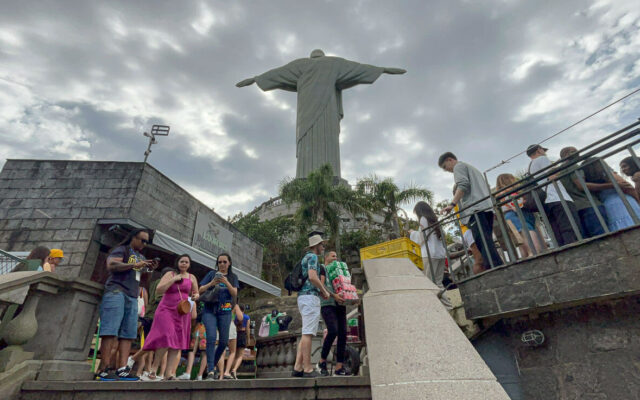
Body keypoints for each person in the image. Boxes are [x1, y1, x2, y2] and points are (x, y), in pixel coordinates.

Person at [236, 49, 406, 179]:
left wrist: (255, 79)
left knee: (310, 140)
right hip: (328, 111)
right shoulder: (333, 63)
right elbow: (357, 69)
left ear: (311, 57)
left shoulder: (299, 65)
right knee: (326, 141)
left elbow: (277, 74)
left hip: (306, 114)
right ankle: (325, 176)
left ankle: (304, 176)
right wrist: (382, 69)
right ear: (322, 56)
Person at [97, 228, 155, 381]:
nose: (144, 243)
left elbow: (139, 276)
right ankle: (104, 367)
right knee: (110, 330)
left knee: (128, 333)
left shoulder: (140, 256)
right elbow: (112, 266)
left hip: (132, 294)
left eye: (146, 242)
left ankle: (122, 368)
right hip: (116, 291)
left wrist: (148, 269)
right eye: (142, 240)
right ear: (133, 237)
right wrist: (134, 265)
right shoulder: (121, 250)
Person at [439, 152, 504, 269]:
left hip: (475, 209)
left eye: (445, 167)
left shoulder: (458, 167)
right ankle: (497, 266)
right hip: (486, 208)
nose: (446, 170)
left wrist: (452, 204)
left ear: (450, 159)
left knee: (482, 242)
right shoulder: (473, 170)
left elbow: (463, 185)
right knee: (487, 240)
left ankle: (495, 268)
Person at [140, 254, 199, 381]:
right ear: (177, 262)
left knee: (177, 342)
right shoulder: (170, 274)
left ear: (189, 265)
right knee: (167, 336)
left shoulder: (192, 277)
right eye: (182, 261)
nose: (184, 264)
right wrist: (173, 280)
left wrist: (195, 296)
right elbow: (159, 290)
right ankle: (154, 369)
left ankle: (169, 373)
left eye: (186, 262)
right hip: (167, 309)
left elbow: (196, 292)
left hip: (182, 311)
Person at [292, 235, 331, 378]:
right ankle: (308, 368)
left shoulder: (306, 257)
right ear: (317, 245)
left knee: (305, 332)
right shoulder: (313, 258)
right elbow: (313, 277)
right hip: (310, 297)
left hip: (303, 296)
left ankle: (298, 366)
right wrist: (324, 290)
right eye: (322, 245)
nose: (323, 247)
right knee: (308, 333)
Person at [526, 144, 578, 246]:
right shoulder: (542, 159)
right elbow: (552, 176)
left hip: (547, 201)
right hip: (558, 196)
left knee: (557, 230)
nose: (545, 152)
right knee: (569, 227)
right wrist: (559, 169)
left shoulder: (530, 166)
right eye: (543, 150)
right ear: (539, 150)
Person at [199, 253, 239, 380]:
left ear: (229, 263)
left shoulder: (233, 277)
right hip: (210, 309)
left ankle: (211, 365)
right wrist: (212, 282)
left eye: (224, 262)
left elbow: (234, 294)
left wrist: (226, 282)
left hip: (225, 310)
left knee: (223, 342)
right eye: (220, 262)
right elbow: (200, 290)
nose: (222, 264)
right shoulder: (211, 274)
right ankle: (211, 370)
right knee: (210, 337)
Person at [559, 147, 611, 237]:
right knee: (603, 236)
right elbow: (581, 185)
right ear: (567, 155)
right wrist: (611, 185)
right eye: (574, 151)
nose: (578, 154)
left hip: (576, 208)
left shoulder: (559, 172)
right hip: (589, 205)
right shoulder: (573, 166)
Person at [411, 202, 453, 309]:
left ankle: (445, 306)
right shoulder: (434, 220)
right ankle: (447, 306)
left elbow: (422, 238)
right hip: (440, 254)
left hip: (429, 254)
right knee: (438, 283)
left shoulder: (423, 219)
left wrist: (412, 233)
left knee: (429, 283)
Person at [582, 158, 640, 232]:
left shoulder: (590, 181)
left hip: (608, 206)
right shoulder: (607, 174)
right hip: (623, 202)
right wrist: (637, 200)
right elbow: (628, 187)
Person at [317, 250, 350, 377]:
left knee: (342, 333)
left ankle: (339, 367)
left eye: (337, 256)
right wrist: (334, 295)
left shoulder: (339, 270)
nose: (335, 258)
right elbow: (321, 286)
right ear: (326, 257)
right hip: (327, 304)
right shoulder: (323, 268)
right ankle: (322, 361)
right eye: (333, 256)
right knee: (333, 331)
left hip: (340, 304)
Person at [495, 174, 541, 256]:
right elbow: (518, 203)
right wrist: (524, 201)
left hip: (508, 216)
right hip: (518, 213)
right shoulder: (510, 192)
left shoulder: (498, 195)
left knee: (519, 237)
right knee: (527, 230)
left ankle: (526, 254)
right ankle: (533, 251)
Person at [225, 304, 251, 380]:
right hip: (242, 335)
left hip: (235, 334)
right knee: (240, 355)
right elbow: (248, 328)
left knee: (233, 354)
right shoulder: (246, 317)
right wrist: (248, 338)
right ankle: (234, 370)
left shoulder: (235, 316)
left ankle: (229, 371)